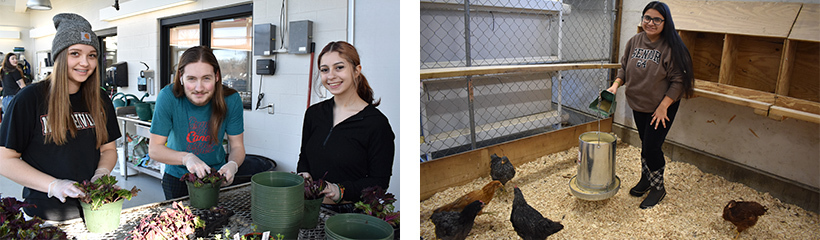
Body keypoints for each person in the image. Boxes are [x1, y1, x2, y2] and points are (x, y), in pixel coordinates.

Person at [0, 13, 121, 221]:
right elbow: (5, 160)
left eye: (92, 55)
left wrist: (102, 172)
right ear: (59, 56)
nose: (85, 62)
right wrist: (53, 185)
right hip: (44, 215)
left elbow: (108, 149)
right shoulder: (30, 99)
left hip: (95, 209)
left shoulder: (100, 98)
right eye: (75, 53)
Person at [606, 1, 694, 209]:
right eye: (647, 18)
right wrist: (615, 85)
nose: (651, 23)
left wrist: (664, 106)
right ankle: (646, 179)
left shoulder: (672, 47)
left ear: (665, 22)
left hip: (662, 107)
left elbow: (679, 81)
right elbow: (624, 67)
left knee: (652, 147)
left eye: (657, 19)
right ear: (642, 18)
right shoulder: (635, 41)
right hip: (639, 103)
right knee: (645, 143)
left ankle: (658, 188)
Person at [297, 41, 395, 213]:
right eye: (325, 69)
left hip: (351, 213)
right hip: (311, 208)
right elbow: (304, 155)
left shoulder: (376, 123)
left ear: (357, 70)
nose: (331, 76)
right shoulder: (314, 114)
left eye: (339, 67)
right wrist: (303, 174)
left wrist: (339, 190)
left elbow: (380, 181)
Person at [149, 46, 245, 200]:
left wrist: (233, 164)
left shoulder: (231, 100)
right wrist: (186, 158)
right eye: (191, 79)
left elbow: (237, 146)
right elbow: (154, 149)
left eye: (206, 78)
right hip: (177, 178)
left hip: (216, 177)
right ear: (181, 77)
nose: (199, 88)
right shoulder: (168, 96)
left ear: (217, 76)